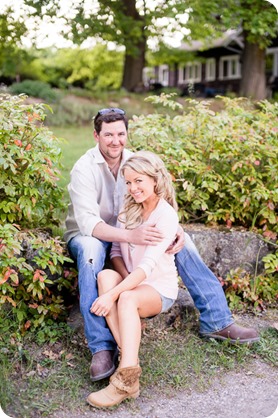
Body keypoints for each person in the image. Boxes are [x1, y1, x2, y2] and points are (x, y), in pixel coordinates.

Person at [64, 108, 259, 383]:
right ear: (96, 136)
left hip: (131, 230)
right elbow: (89, 224)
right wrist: (132, 236)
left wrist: (173, 228)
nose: (115, 141)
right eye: (108, 135)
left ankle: (216, 319)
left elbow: (156, 202)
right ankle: (102, 347)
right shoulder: (84, 168)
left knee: (184, 240)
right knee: (92, 252)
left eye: (121, 134)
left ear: (126, 134)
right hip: (92, 234)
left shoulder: (135, 161)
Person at [86, 150, 180, 407]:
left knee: (124, 297)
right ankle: (131, 367)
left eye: (139, 181)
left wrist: (112, 295)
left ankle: (124, 381)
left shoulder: (166, 215)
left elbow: (148, 267)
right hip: (134, 280)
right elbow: (116, 251)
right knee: (106, 275)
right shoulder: (128, 210)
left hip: (159, 288)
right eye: (128, 182)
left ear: (154, 180)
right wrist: (122, 279)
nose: (133, 187)